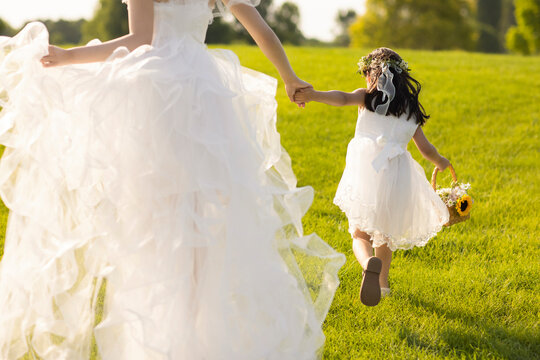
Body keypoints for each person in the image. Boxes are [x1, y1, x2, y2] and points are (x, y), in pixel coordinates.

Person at [0, 0, 345, 358]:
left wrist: (68, 57)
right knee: (208, 218)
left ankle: (169, 331)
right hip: (205, 94)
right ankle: (203, 328)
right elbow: (258, 26)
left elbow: (140, 39)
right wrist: (288, 77)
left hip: (159, 94)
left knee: (158, 220)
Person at [294, 47, 450, 307]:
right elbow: (426, 149)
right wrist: (441, 162)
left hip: (367, 169)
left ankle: (368, 265)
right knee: (385, 233)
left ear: (371, 75)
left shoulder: (367, 98)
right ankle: (384, 285)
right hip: (399, 175)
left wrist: (313, 95)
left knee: (359, 233)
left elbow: (341, 98)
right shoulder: (410, 110)